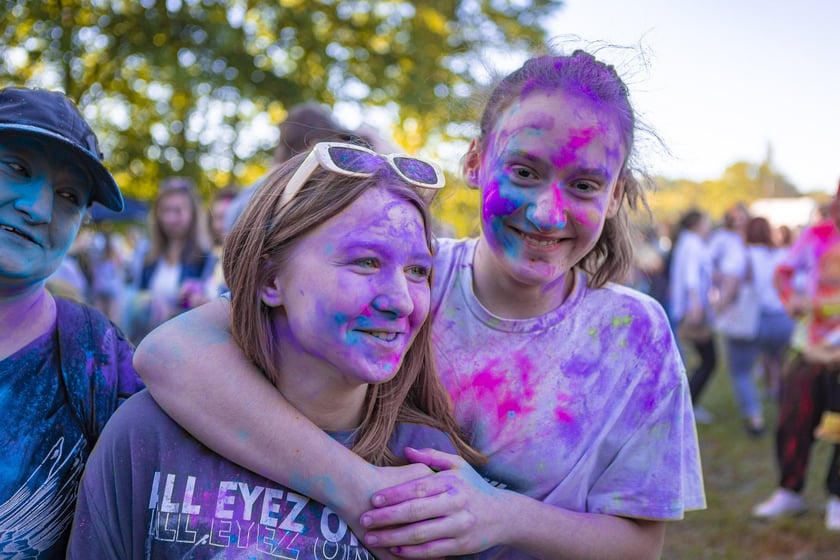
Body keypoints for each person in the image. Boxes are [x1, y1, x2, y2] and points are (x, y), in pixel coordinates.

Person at [134, 49, 706, 559]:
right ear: (476, 162)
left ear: (616, 196)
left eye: (584, 185)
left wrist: (500, 514)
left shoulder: (635, 334)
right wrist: (360, 488)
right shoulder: (405, 282)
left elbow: (639, 542)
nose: (546, 214)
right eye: (524, 172)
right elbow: (170, 352)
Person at [67, 141, 485, 557]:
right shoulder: (148, 436)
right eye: (366, 262)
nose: (403, 301)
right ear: (270, 280)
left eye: (417, 271)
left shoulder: (433, 468)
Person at [0, 86, 144, 558]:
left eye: (67, 195)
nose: (37, 209)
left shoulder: (97, 355)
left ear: (82, 220)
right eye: (17, 168)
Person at [752, 181, 840, 530]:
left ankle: (837, 497)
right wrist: (792, 301)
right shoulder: (818, 235)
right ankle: (790, 491)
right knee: (792, 419)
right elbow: (782, 273)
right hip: (810, 348)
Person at [126, 176, 213, 342]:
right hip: (145, 342)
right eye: (165, 211)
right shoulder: (145, 255)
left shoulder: (205, 258)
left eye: (178, 211)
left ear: (193, 214)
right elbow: (133, 299)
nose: (170, 219)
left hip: (183, 345)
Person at [668, 208, 717, 425]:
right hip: (691, 310)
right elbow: (691, 276)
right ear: (697, 223)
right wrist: (696, 304)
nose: (709, 226)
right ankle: (688, 405)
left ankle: (685, 405)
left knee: (700, 359)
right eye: (706, 221)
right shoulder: (693, 244)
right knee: (708, 360)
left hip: (688, 308)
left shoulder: (687, 242)